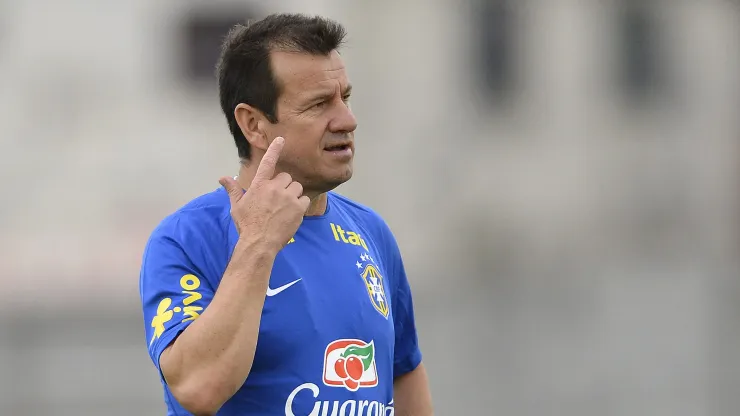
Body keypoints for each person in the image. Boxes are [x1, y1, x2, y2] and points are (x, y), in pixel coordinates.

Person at [139, 13, 433, 416]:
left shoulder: (371, 232)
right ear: (255, 125)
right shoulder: (188, 237)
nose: (347, 120)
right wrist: (259, 242)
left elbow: (404, 369)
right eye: (318, 105)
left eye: (344, 98)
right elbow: (198, 387)